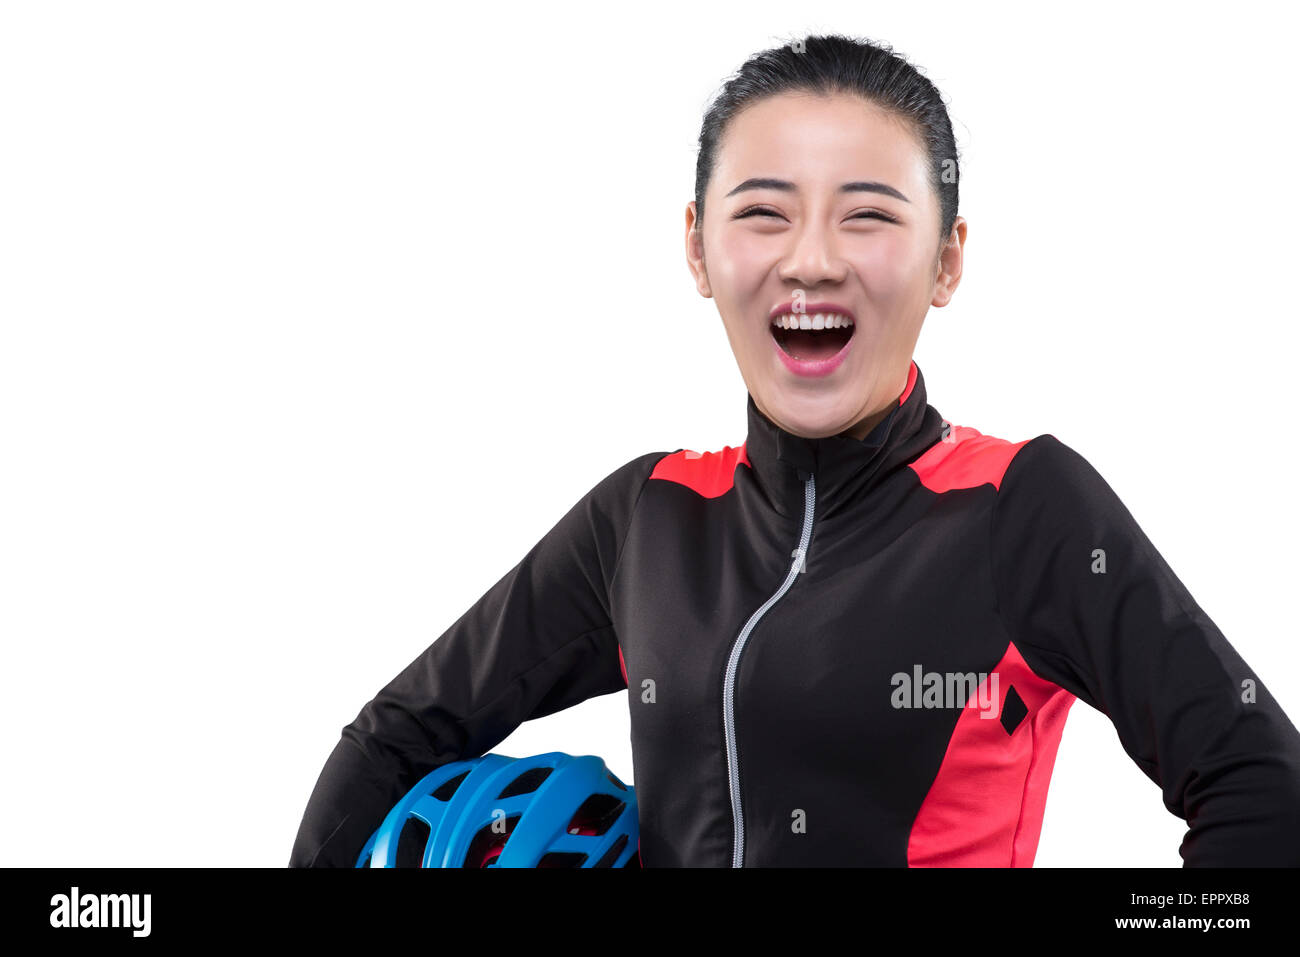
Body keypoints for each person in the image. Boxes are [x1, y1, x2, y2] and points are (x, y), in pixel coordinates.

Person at [290, 33, 1300, 867]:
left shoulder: (1021, 507)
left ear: (946, 261)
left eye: (868, 216)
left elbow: (1262, 791)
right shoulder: (647, 517)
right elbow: (399, 733)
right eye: (763, 213)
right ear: (697, 248)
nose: (810, 259)